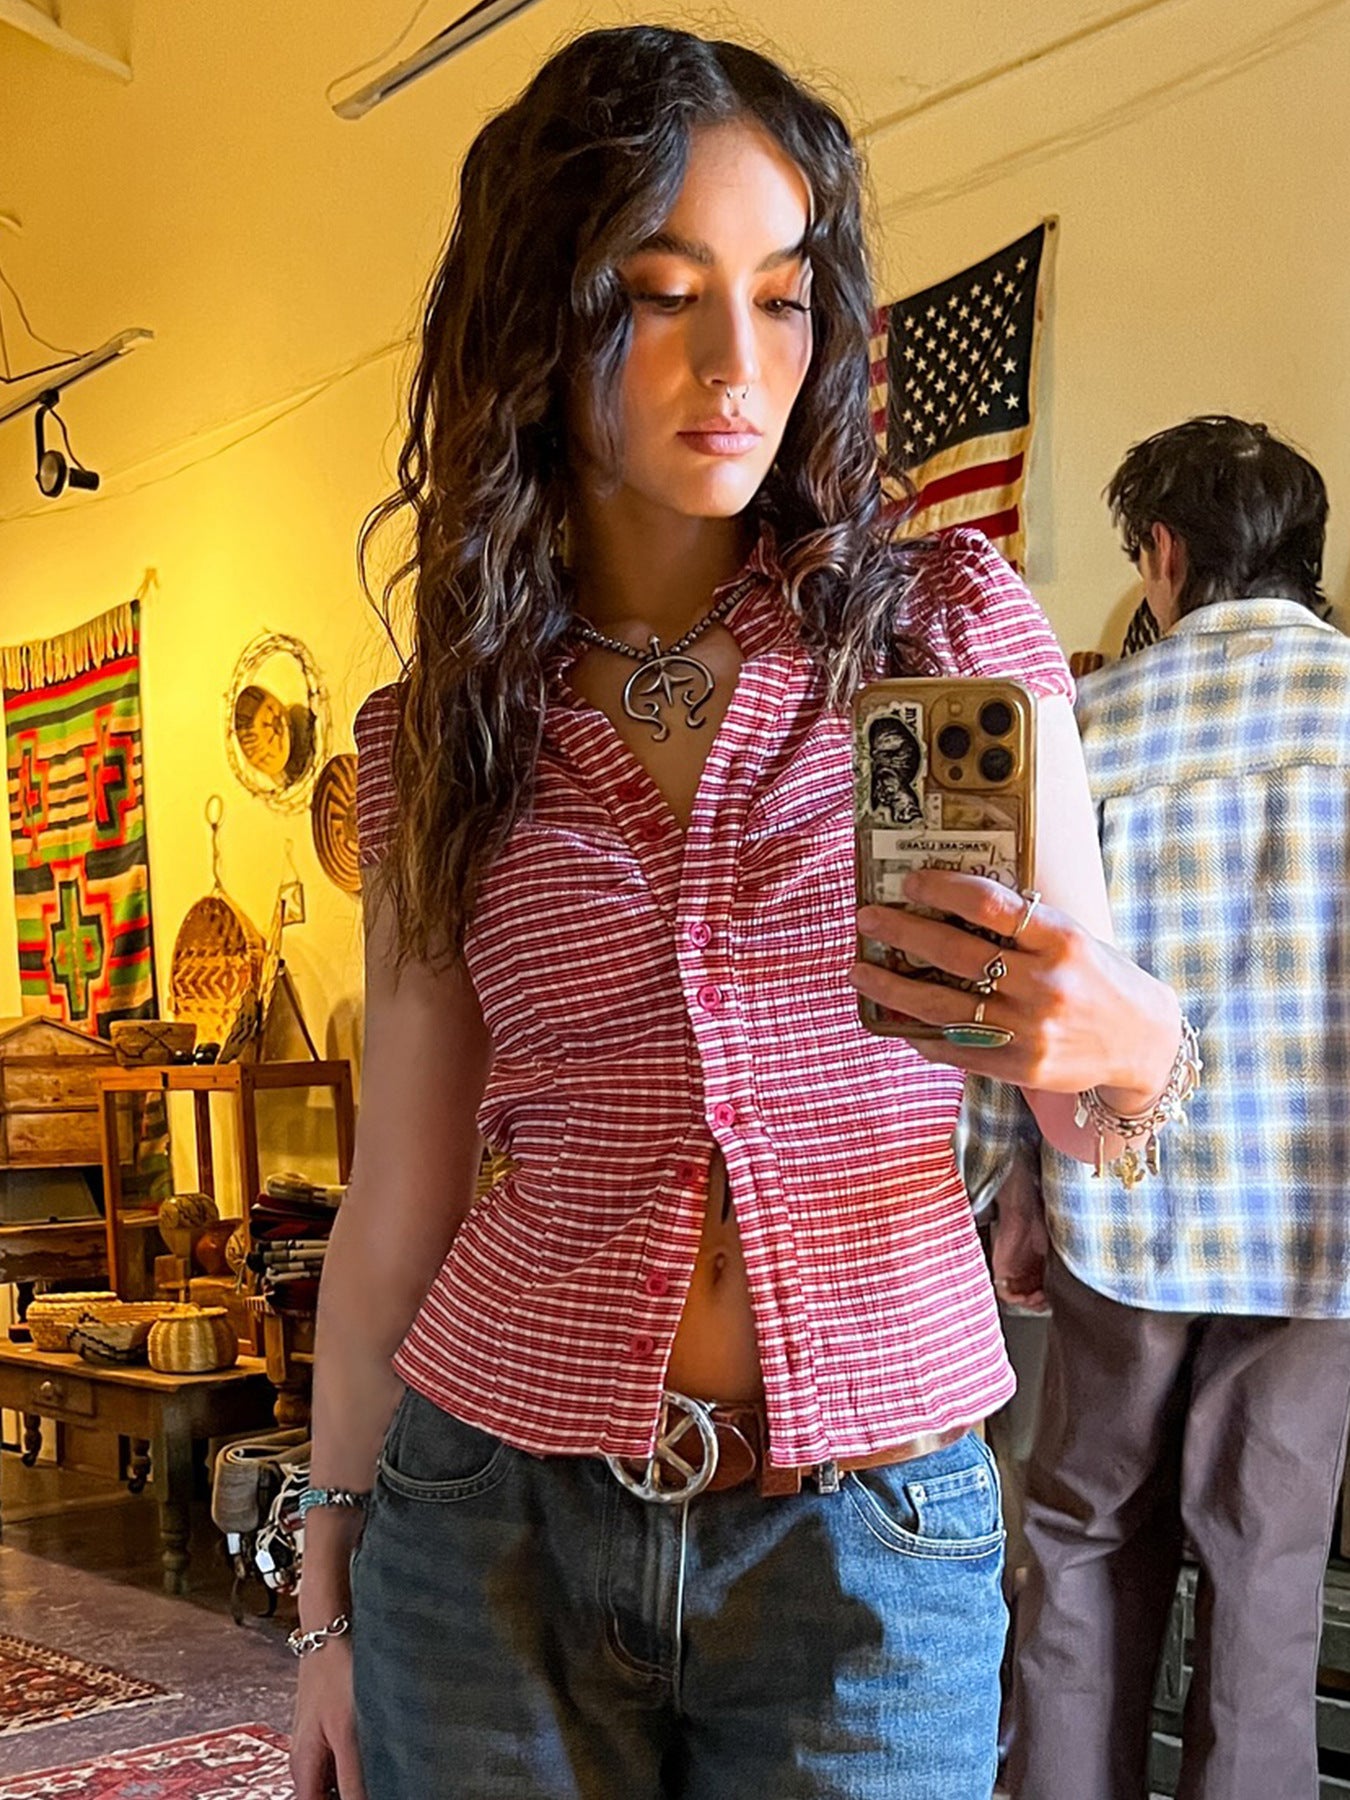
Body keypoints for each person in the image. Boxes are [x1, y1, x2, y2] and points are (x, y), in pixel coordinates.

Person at [288, 28, 1189, 1800]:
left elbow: (1093, 1114)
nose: (737, 364)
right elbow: (399, 1191)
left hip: (868, 1542)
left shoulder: (939, 625)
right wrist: (323, 1586)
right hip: (488, 1524)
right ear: (538, 323)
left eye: (781, 300)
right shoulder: (444, 729)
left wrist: (1135, 1042)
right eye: (659, 294)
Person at [965, 415, 1350, 1800]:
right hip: (1319, 1238)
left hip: (1114, 1208)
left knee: (1077, 1545)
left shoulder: (1081, 732)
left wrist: (1004, 1185)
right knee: (1265, 1571)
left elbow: (1003, 979)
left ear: (1166, 555)